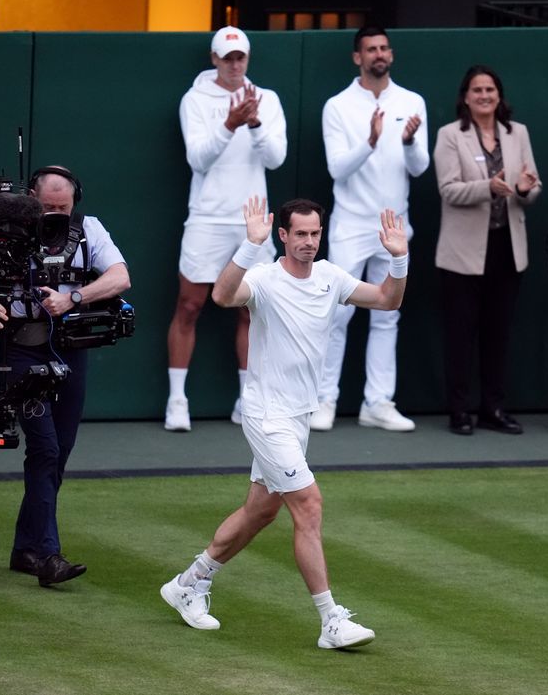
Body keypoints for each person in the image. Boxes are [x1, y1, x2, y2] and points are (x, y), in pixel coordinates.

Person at [160, 195, 408, 649]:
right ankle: (331, 620)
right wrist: (248, 246)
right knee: (308, 506)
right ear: (283, 236)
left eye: (315, 234)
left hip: (299, 416)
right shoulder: (263, 279)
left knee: (261, 511)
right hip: (266, 414)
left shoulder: (331, 277)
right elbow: (220, 296)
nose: (309, 242)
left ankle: (187, 584)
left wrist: (399, 257)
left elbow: (388, 300)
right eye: (300, 234)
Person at [0, 166, 130, 586]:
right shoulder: (6, 233)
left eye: (62, 208)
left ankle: (24, 549)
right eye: (47, 207)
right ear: (31, 198)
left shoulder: (90, 230)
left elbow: (121, 276)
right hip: (21, 351)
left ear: (74, 202)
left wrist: (75, 297)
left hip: (72, 350)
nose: (54, 214)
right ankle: (49, 556)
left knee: (58, 454)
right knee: (46, 449)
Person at [165, 26, 288, 432]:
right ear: (215, 59)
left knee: (251, 311)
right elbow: (198, 159)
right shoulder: (195, 100)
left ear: (247, 59)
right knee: (189, 306)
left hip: (252, 221)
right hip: (206, 218)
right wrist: (230, 124)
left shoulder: (266, 100)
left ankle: (246, 401)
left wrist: (252, 124)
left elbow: (275, 159)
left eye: (241, 58)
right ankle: (177, 400)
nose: (235, 65)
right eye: (228, 58)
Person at [311, 25, 428, 432]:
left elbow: (420, 167)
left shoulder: (412, 102)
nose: (378, 54)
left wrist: (410, 142)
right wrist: (371, 141)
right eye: (370, 49)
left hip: (394, 226)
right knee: (337, 313)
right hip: (350, 225)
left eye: (383, 48)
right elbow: (337, 169)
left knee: (387, 315)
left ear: (390, 55)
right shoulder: (338, 106)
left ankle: (377, 403)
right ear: (357, 57)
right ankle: (323, 400)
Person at [433, 65, 541, 436]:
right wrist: (487, 188)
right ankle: (459, 411)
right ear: (465, 97)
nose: (484, 96)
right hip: (462, 252)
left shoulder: (517, 133)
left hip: (507, 248)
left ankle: (493, 408)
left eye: (490, 90)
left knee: (498, 335)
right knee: (461, 335)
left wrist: (525, 189)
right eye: (477, 90)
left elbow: (532, 187)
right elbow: (448, 189)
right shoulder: (450, 135)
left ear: (499, 95)